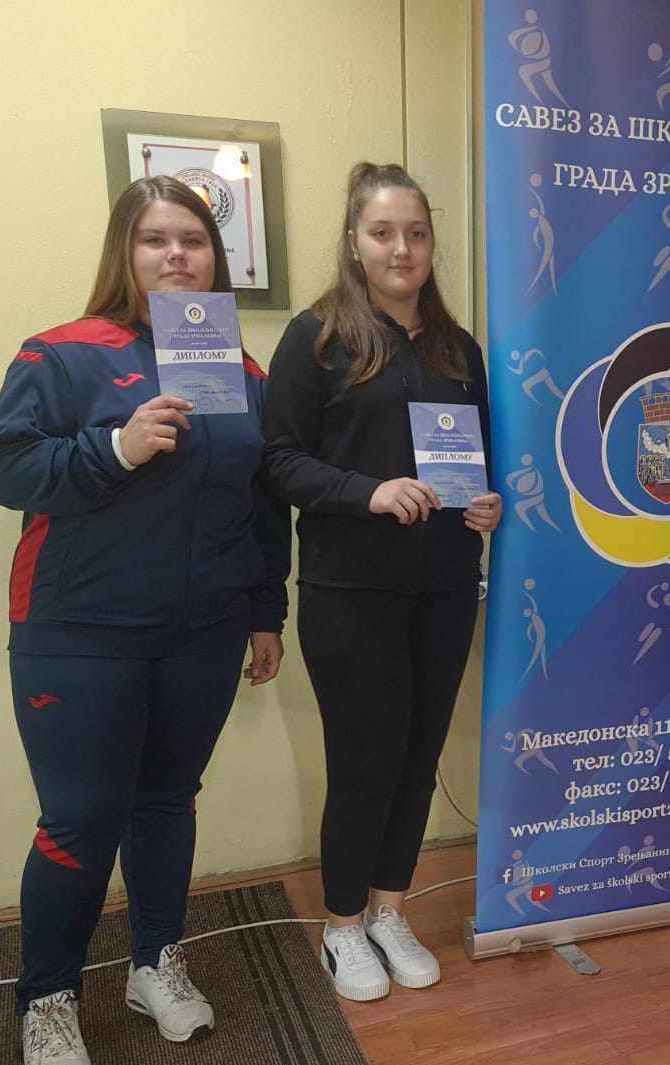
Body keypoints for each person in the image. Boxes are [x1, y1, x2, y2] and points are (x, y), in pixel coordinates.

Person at [0, 176, 291, 1065]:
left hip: (204, 631)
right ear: (126, 252)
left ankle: (155, 963)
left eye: (193, 239)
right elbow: (3, 466)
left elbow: (261, 503)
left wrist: (265, 612)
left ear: (214, 258)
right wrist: (115, 446)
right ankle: (48, 999)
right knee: (80, 818)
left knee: (168, 802)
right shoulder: (62, 352)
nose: (177, 255)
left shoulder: (242, 371)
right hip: (79, 631)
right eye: (156, 239)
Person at [263, 162, 500, 1002]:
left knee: (417, 757)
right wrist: (366, 492)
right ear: (355, 242)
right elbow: (278, 461)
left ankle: (389, 910)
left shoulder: (458, 350)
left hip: (444, 587)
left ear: (432, 244)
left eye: (417, 233)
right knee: (364, 763)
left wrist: (486, 504)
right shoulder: (316, 338)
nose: (402, 248)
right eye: (383, 232)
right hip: (349, 593)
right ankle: (341, 924)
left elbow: (478, 460)